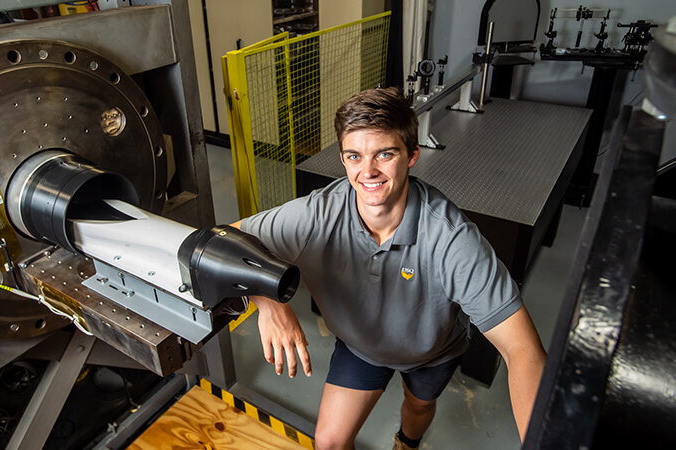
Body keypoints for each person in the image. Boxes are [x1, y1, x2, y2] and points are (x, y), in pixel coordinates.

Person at [233, 87, 547, 450]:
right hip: (360, 346)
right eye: (354, 156)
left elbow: (523, 350)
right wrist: (271, 302)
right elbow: (229, 239)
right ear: (343, 158)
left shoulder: (451, 239)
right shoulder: (318, 213)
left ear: (412, 156)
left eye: (384, 154)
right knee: (329, 443)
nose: (368, 171)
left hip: (432, 350)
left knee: (418, 407)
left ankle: (407, 443)